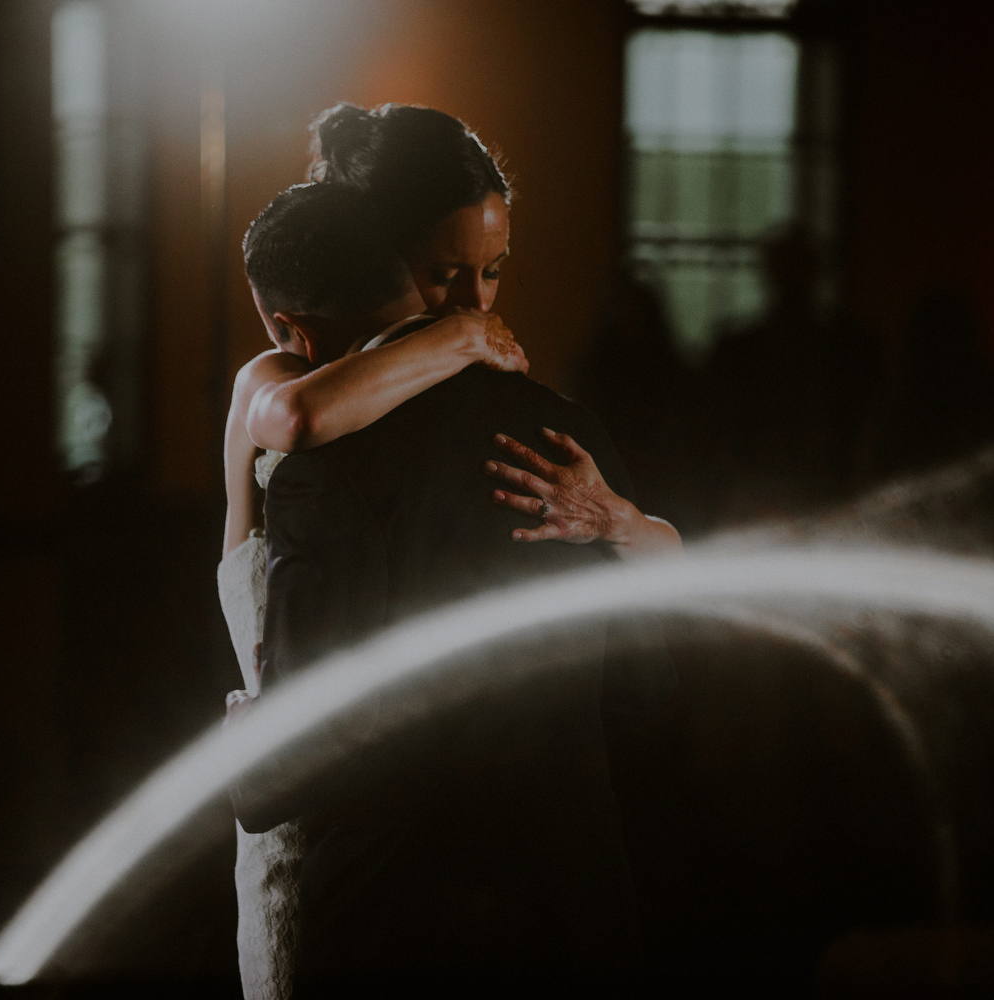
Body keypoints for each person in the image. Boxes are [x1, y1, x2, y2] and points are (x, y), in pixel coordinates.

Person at [219, 182, 526, 999]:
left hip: (355, 813)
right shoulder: (276, 380)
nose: (465, 300)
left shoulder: (400, 403)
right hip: (298, 806)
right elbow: (294, 418)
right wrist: (461, 337)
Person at [310, 102, 680, 556]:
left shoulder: (556, 430)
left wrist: (620, 521)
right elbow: (303, 415)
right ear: (373, 261)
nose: (478, 304)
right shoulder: (295, 389)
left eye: (493, 271)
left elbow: (668, 572)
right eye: (444, 275)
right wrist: (462, 337)